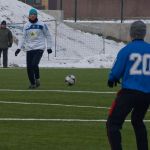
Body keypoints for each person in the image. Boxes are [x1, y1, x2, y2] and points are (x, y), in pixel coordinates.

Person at [106, 20, 150, 150]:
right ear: (144, 33)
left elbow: (117, 70)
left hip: (129, 93)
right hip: (147, 94)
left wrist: (112, 78)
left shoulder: (126, 50)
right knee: (137, 121)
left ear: (131, 33)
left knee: (113, 124)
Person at [15, 8, 52, 89]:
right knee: (29, 67)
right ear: (29, 16)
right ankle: (33, 84)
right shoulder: (26, 25)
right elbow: (23, 38)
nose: (32, 16)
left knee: (34, 64)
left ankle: (37, 78)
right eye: (31, 14)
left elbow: (48, 36)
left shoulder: (42, 24)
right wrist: (18, 48)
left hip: (39, 47)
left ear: (36, 16)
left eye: (34, 14)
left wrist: (49, 47)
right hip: (29, 48)